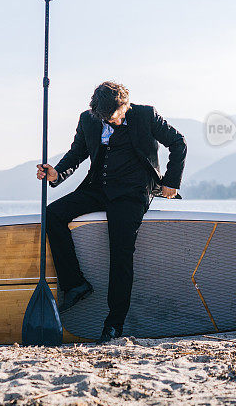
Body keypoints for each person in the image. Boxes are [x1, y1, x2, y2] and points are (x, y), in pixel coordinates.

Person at [35, 81, 186, 343]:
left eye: (114, 115)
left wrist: (171, 182)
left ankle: (114, 324)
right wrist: (57, 173)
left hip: (132, 192)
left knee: (120, 253)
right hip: (99, 188)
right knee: (52, 215)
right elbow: (77, 153)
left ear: (125, 105)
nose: (111, 121)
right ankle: (75, 285)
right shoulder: (88, 119)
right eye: (105, 118)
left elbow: (179, 142)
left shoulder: (146, 115)